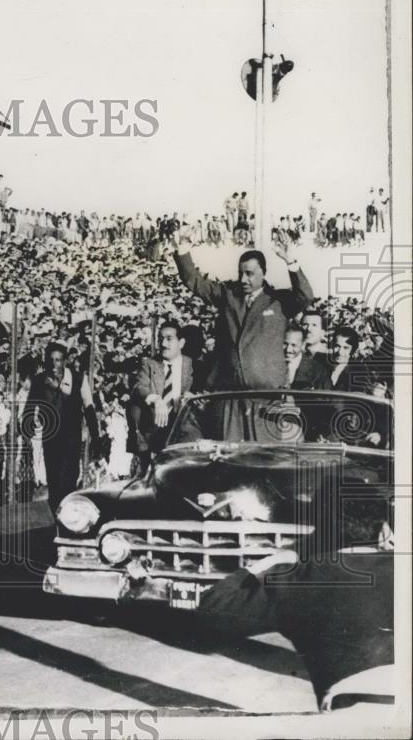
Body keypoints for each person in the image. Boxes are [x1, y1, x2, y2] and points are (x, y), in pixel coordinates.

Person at [197, 497, 394, 711]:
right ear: (384, 533)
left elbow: (212, 607)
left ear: (320, 535)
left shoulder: (299, 578)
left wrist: (273, 560)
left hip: (349, 717)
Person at [172, 227, 314, 390]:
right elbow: (195, 282)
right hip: (230, 388)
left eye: (249, 273)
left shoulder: (278, 301)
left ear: (263, 272)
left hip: (267, 389)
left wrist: (291, 262)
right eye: (241, 273)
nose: (243, 279)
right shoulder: (229, 295)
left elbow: (306, 297)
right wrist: (183, 248)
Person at [22, 342, 97, 516]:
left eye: (58, 360)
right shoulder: (39, 380)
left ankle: (69, 522)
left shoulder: (78, 379)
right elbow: (30, 408)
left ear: (64, 362)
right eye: (50, 360)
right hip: (51, 439)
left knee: (69, 482)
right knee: (54, 485)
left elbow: (89, 407)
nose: (54, 364)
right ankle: (56, 524)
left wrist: (96, 435)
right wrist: (28, 425)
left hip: (71, 440)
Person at [129, 320, 193, 469]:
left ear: (181, 343)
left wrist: (192, 398)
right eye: (160, 339)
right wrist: (156, 399)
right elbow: (139, 387)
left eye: (169, 339)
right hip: (155, 430)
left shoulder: (194, 366)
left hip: (184, 434)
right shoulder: (149, 364)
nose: (163, 344)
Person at [283, 323, 329, 390]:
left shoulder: (318, 371)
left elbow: (323, 398)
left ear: (303, 344)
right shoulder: (270, 365)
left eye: (293, 345)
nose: (288, 350)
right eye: (285, 344)